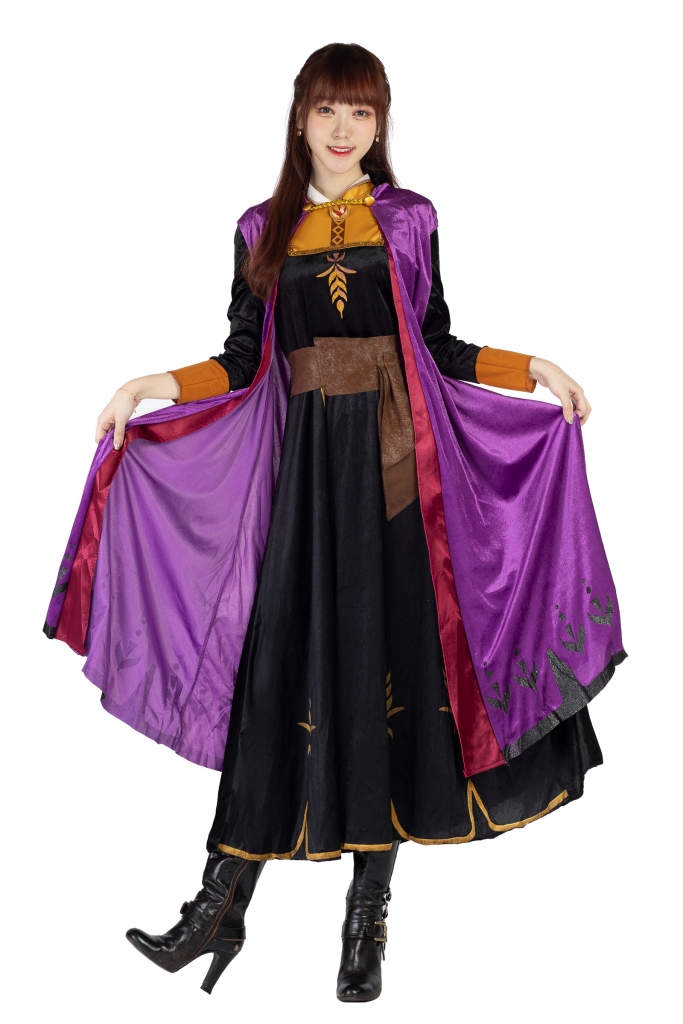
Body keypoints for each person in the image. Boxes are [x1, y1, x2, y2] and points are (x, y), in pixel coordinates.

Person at [45, 43, 625, 1003]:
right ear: (300, 119)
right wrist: (149, 385)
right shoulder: (261, 228)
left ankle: (367, 921)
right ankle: (219, 905)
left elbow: (435, 343)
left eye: (361, 112)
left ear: (379, 123)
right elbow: (242, 359)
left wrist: (533, 369)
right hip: (306, 482)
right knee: (274, 678)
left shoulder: (410, 218)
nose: (344, 129)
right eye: (327, 110)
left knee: (387, 677)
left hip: (397, 483)